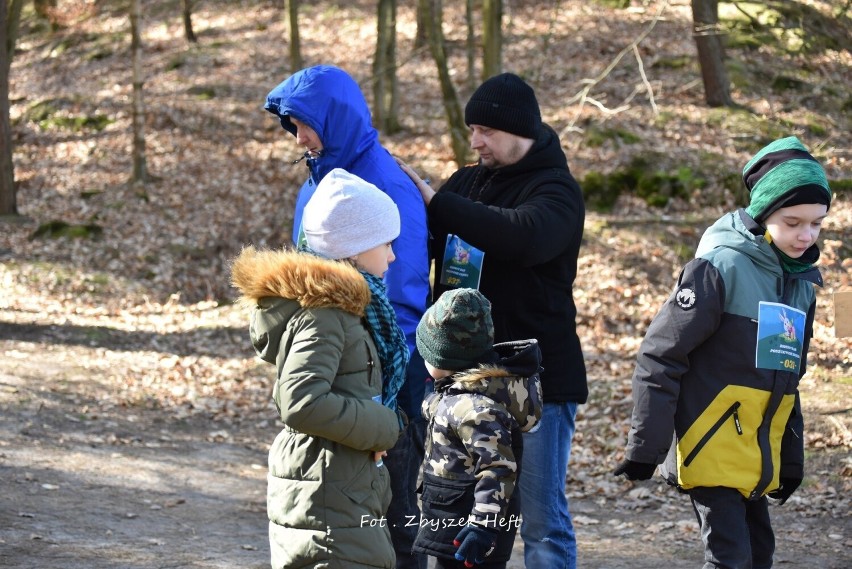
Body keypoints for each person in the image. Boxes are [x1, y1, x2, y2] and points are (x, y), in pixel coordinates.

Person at [614, 136, 832, 569]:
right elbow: (661, 355)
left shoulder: (803, 284)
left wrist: (789, 460)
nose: (806, 236)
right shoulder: (720, 267)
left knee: (760, 555)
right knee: (730, 558)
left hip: (756, 451)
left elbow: (789, 378)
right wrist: (646, 446)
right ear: (764, 213)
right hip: (709, 443)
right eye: (793, 222)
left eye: (817, 224)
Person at [397, 72, 587, 568]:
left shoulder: (558, 191)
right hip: (461, 384)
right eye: (471, 130)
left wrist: (437, 202)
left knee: (543, 525)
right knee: (463, 517)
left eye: (486, 131)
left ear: (520, 130)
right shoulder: (467, 181)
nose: (474, 141)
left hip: (537, 384)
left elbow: (522, 236)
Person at [264, 64, 431, 569]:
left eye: (304, 124)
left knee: (396, 518)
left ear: (333, 118)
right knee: (335, 512)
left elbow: (400, 295)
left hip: (385, 382)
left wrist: (381, 398)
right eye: (291, 126)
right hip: (334, 374)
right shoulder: (314, 184)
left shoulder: (385, 183)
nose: (299, 136)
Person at [230, 168, 407, 569]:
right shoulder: (325, 315)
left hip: (340, 483)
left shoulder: (350, 309)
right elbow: (302, 401)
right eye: (385, 243)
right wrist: (383, 424)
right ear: (354, 249)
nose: (393, 256)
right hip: (326, 489)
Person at [412, 288, 543, 569]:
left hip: (472, 530)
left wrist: (484, 527)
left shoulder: (476, 409)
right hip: (451, 516)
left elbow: (498, 469)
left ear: (444, 359)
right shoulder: (457, 394)